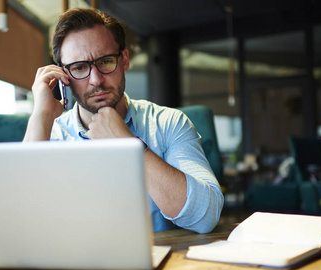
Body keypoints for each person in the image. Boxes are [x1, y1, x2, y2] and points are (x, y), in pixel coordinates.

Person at [23, 8, 224, 233]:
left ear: (125, 60)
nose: (96, 80)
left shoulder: (168, 123)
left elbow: (206, 217)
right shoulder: (48, 135)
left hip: (158, 263)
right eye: (79, 68)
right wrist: (40, 116)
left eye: (106, 61)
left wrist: (131, 145)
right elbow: (21, 223)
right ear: (64, 77)